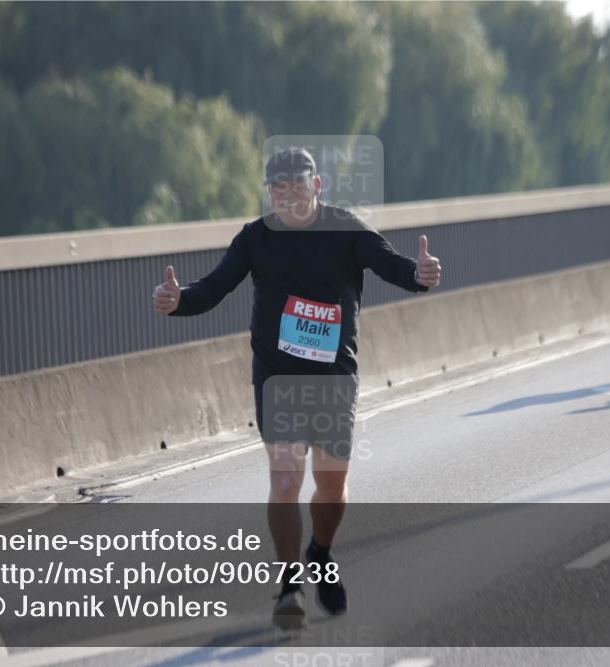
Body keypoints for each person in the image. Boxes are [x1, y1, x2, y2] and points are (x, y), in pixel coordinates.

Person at [152, 147, 442, 630]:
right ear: (270, 193)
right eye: (279, 189)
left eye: (299, 186)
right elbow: (213, 288)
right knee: (285, 480)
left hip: (332, 377)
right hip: (277, 376)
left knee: (331, 485)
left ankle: (320, 552)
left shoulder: (346, 229)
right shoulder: (256, 238)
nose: (290, 197)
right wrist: (176, 300)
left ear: (317, 186)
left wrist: (420, 274)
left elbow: (392, 266)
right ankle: (290, 585)